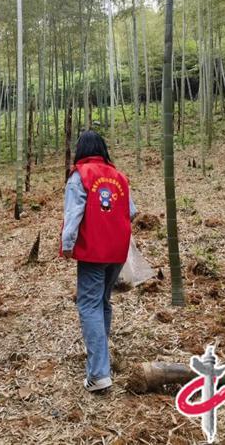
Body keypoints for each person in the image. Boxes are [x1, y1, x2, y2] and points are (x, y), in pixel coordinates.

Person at [61, 131, 136, 393]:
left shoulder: (80, 175)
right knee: (102, 301)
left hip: (93, 250)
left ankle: (99, 373)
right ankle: (101, 357)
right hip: (117, 250)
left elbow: (73, 214)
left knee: (88, 304)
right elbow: (132, 212)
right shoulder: (118, 176)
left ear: (80, 150)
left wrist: (67, 245)